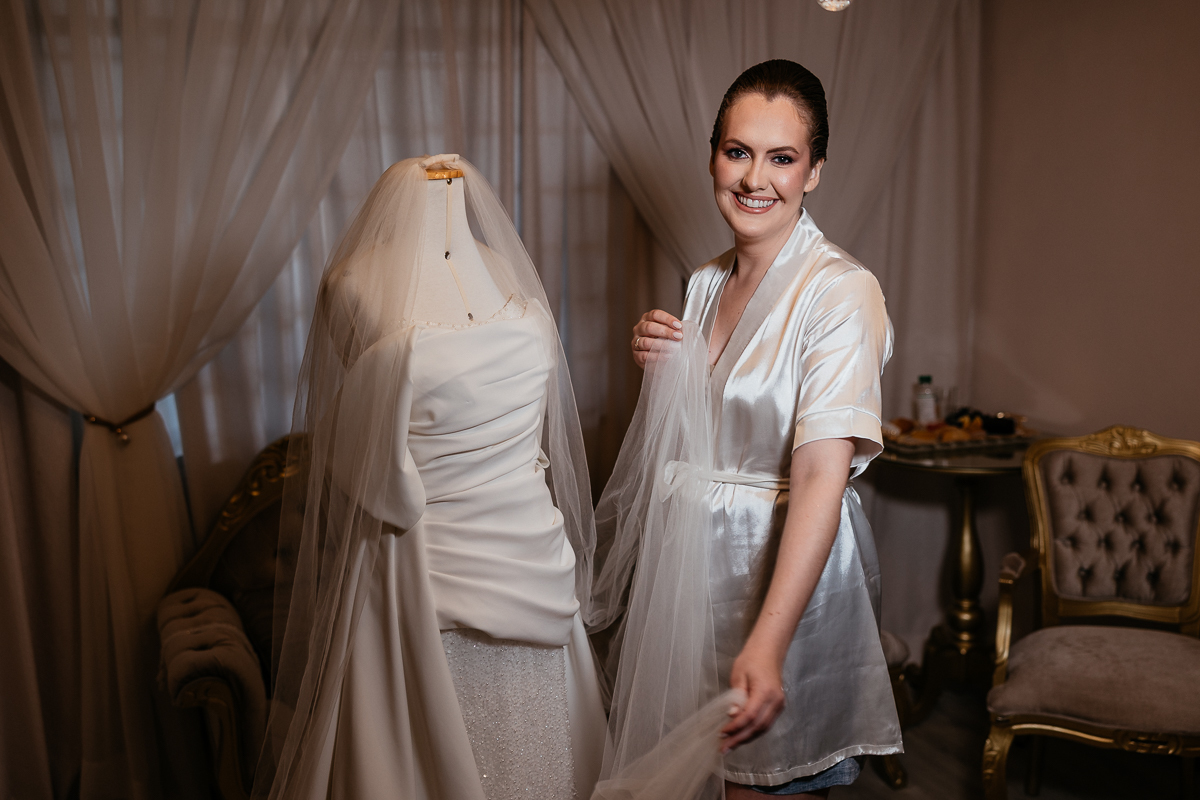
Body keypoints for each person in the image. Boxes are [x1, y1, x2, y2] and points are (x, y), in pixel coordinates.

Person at [254, 155, 606, 800]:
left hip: (533, 553)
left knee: (545, 757)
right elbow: (359, 450)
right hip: (425, 569)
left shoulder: (503, 267)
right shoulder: (352, 285)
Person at [596, 60, 902, 799]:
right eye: (738, 152)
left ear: (814, 172)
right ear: (713, 158)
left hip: (783, 590)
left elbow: (822, 474)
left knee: (759, 786)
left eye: (782, 158)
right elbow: (703, 432)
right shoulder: (704, 283)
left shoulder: (841, 291)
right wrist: (664, 368)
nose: (755, 178)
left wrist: (769, 642)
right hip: (691, 587)